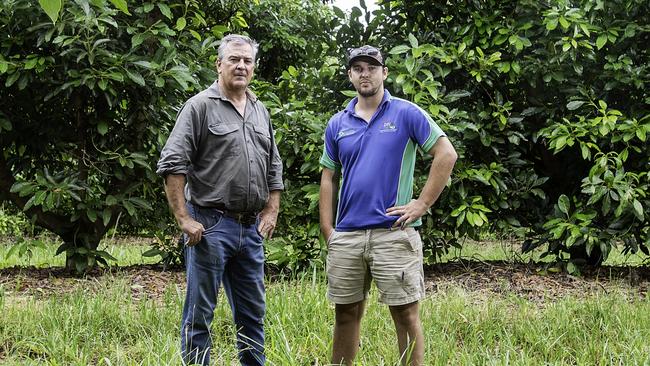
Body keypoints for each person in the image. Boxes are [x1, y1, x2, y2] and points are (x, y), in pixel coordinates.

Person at [319, 45, 457, 366]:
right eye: (358, 68)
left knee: (406, 314)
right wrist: (328, 229)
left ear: (384, 73)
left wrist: (421, 204)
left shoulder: (406, 113)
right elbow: (328, 176)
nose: (364, 73)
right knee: (345, 314)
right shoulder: (338, 123)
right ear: (351, 75)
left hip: (394, 233)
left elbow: (446, 154)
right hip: (348, 236)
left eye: (371, 67)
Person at [156, 34, 283, 366]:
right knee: (200, 316)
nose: (241, 66)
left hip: (250, 229)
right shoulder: (199, 106)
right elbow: (173, 163)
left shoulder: (259, 110)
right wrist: (184, 219)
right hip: (210, 226)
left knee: (253, 316)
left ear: (254, 67)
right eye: (234, 60)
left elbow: (274, 163)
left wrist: (272, 208)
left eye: (247, 61)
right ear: (219, 64)